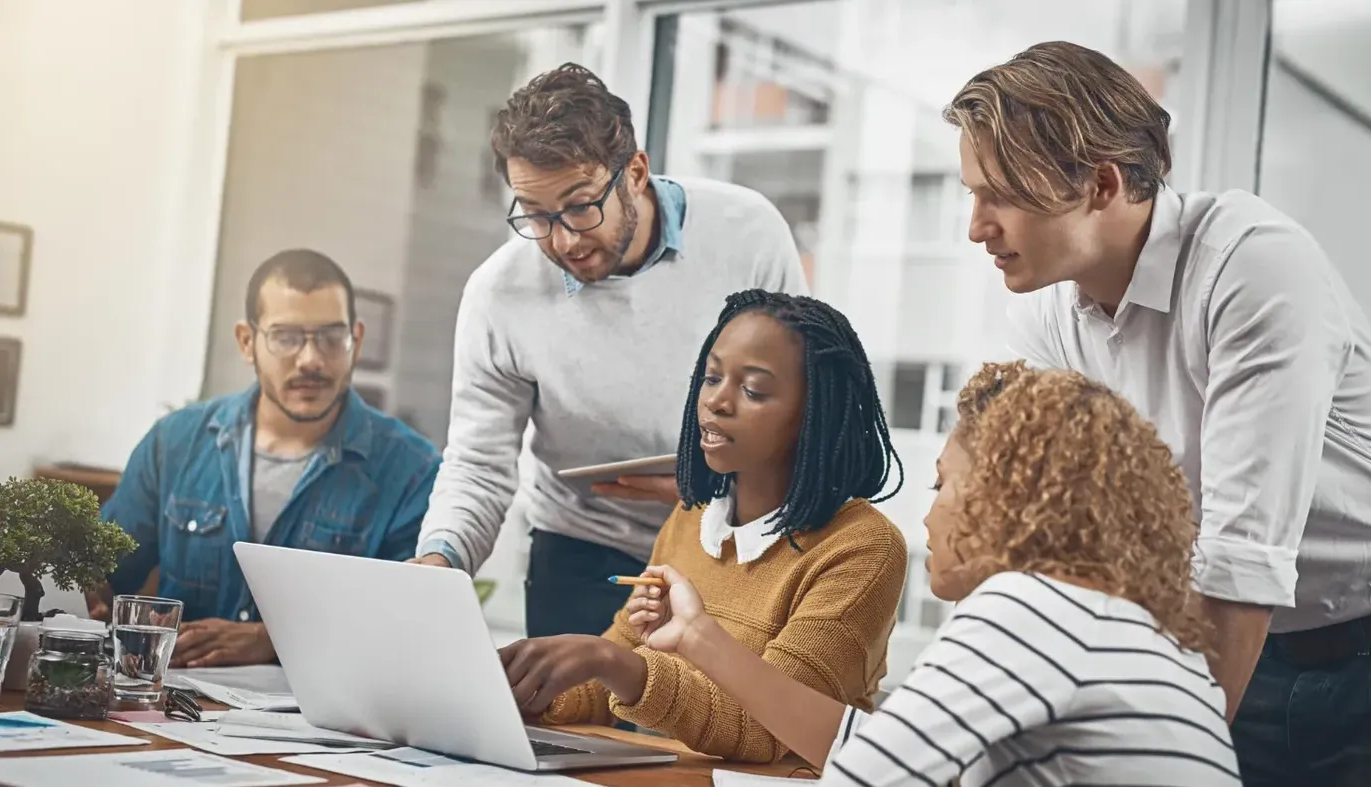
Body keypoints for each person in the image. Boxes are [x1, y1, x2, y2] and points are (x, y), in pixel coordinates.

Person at [944, 41, 1371, 784]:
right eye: (971, 192)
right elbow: (1066, 538)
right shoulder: (1048, 314)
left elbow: (1240, 558)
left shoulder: (1251, 264)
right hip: (1217, 637)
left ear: (1101, 183)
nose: (975, 227)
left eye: (1000, 194)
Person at [628, 361, 1240, 786]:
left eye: (943, 483)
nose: (929, 512)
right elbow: (870, 752)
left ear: (1007, 498)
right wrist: (699, 639)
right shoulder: (1139, 633)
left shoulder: (1027, 610)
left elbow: (867, 779)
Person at [411, 63, 808, 638]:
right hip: (581, 551)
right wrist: (438, 564)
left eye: (580, 206)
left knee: (717, 725)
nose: (565, 239)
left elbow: (807, 407)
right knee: (571, 724)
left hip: (734, 543)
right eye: (537, 216)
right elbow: (479, 463)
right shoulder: (498, 294)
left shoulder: (748, 233)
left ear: (636, 173)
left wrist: (724, 484)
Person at [497, 290, 907, 762]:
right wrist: (529, 691)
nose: (716, 401)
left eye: (752, 390)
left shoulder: (862, 548)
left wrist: (614, 662)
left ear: (815, 415)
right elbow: (616, 665)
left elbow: (769, 733)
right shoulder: (693, 518)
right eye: (712, 377)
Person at [91, 249, 440, 668]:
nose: (311, 359)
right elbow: (101, 576)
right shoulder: (175, 443)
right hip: (173, 707)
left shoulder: (412, 470)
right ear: (246, 341)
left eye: (332, 338)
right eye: (287, 337)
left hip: (317, 721)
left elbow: (407, 627)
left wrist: (274, 639)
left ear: (357, 340)